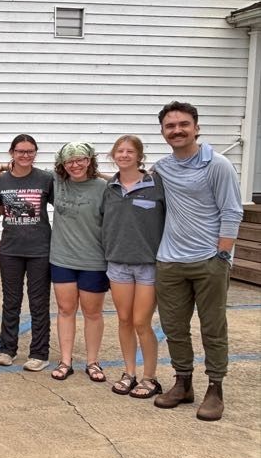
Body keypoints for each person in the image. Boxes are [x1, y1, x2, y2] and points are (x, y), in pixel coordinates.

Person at [152, 101, 243, 421]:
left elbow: (232, 211)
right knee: (174, 327)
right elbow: (135, 186)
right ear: (163, 132)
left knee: (213, 327)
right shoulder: (162, 168)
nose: (177, 130)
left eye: (183, 124)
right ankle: (183, 383)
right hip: (170, 261)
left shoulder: (218, 165)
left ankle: (215, 388)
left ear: (196, 127)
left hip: (209, 260)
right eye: (170, 126)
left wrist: (222, 255)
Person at [101, 135, 166, 398]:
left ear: (139, 156)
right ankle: (129, 372)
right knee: (125, 320)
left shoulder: (157, 184)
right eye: (120, 151)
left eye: (130, 151)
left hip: (148, 264)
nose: (124, 155)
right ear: (113, 155)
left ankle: (150, 377)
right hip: (118, 263)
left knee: (141, 322)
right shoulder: (110, 188)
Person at [0, 134, 53, 371]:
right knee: (11, 301)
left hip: (40, 250)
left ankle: (39, 353)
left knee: (39, 303)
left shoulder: (46, 179)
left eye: (30, 151)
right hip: (10, 249)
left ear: (35, 153)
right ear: (12, 153)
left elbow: (64, 206)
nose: (25, 155)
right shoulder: (1, 181)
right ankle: (7, 350)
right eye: (20, 151)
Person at [49, 142, 109, 382]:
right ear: (62, 164)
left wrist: (101, 175)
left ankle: (93, 362)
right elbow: (24, 169)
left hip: (93, 259)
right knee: (65, 310)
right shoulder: (57, 182)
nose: (75, 165)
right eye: (69, 161)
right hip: (62, 258)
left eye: (80, 159)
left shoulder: (103, 187)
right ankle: (66, 361)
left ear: (89, 160)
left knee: (92, 313)